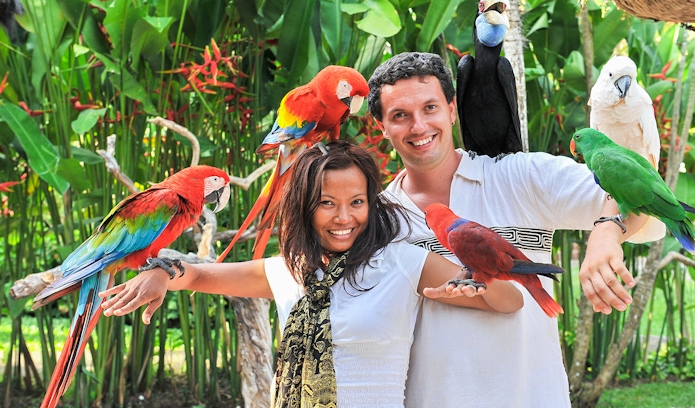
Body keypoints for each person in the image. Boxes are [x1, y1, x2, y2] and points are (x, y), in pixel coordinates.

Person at [99, 140, 523, 408]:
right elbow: (198, 276)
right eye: (326, 203)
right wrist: (159, 274)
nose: (344, 217)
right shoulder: (289, 271)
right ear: (305, 207)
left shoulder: (401, 262)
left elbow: (510, 302)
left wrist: (480, 282)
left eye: (357, 202)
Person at [366, 52, 654, 407]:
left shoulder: (522, 176)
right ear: (382, 126)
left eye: (430, 108)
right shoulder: (374, 220)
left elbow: (642, 190)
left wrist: (606, 233)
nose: (418, 126)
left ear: (453, 109)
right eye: (400, 116)